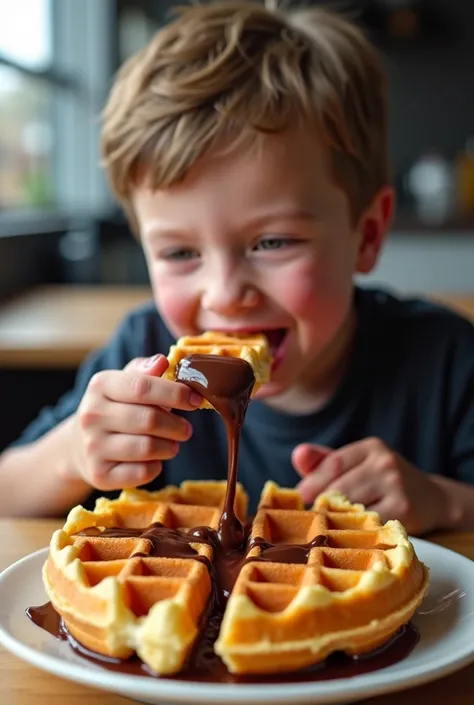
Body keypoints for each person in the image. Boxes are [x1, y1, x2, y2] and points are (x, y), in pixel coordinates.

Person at [1, 1, 473, 534]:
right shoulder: (142, 352)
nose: (225, 294)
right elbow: (6, 490)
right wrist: (70, 456)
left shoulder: (446, 364)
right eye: (180, 253)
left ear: (366, 234)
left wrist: (445, 502)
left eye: (272, 242)